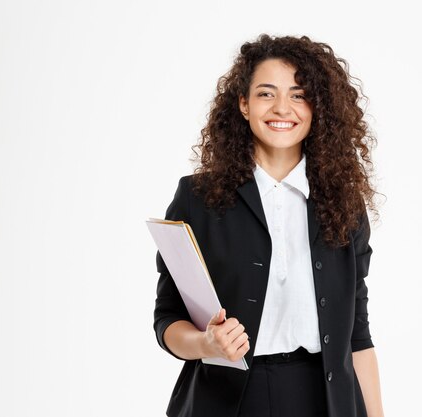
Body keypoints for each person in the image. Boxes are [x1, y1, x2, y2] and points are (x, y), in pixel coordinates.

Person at [153, 34, 384, 417]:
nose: (282, 108)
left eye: (298, 94)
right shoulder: (197, 197)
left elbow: (357, 336)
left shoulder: (342, 204)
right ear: (243, 104)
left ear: (317, 107)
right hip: (229, 401)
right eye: (265, 94)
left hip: (324, 400)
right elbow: (167, 318)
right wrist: (206, 345)